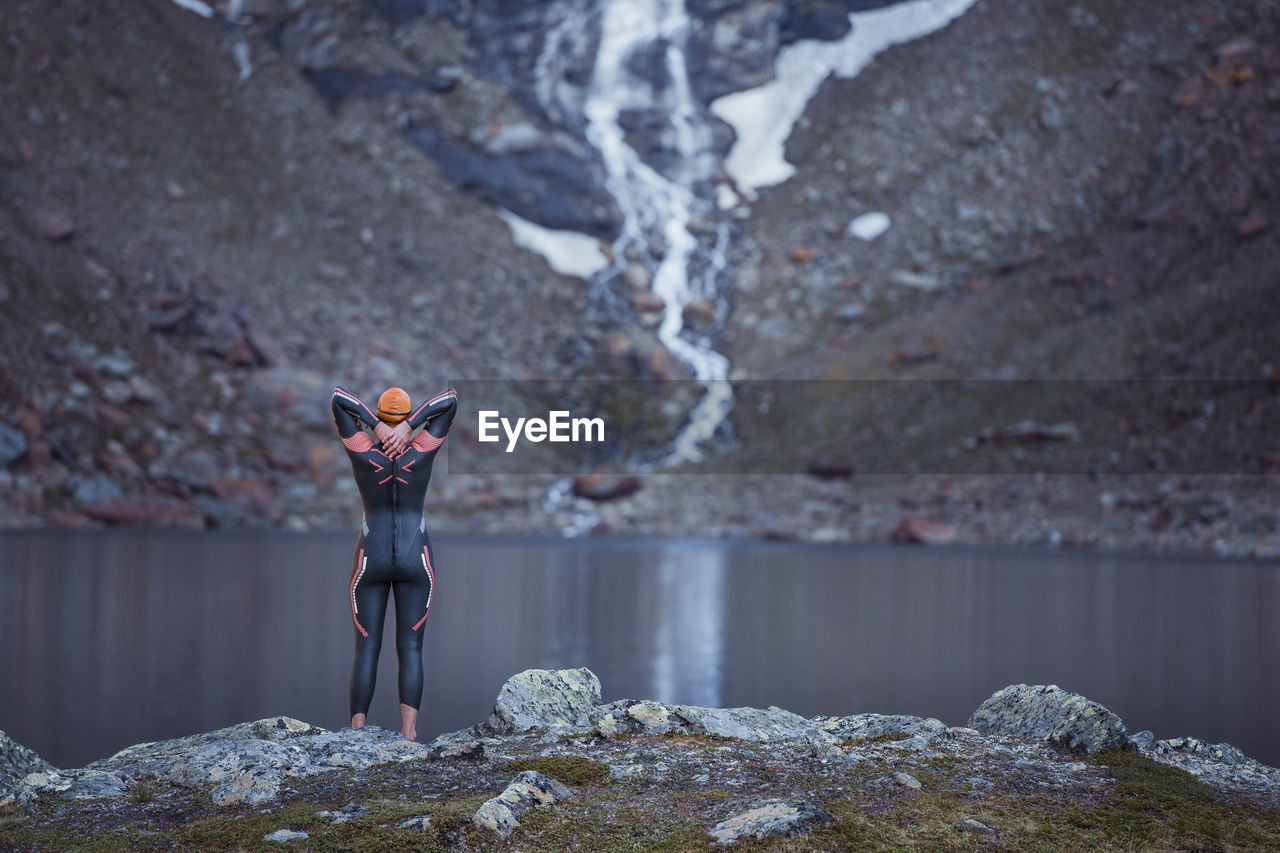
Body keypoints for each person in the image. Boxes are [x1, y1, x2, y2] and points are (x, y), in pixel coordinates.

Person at [330, 383, 458, 740]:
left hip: (369, 558)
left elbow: (339, 398)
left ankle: (357, 735)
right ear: (407, 416)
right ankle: (409, 735)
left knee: (366, 646)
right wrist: (409, 427)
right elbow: (450, 401)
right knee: (412, 647)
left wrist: (377, 427)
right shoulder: (422, 449)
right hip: (417, 558)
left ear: (382, 415)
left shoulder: (362, 449)